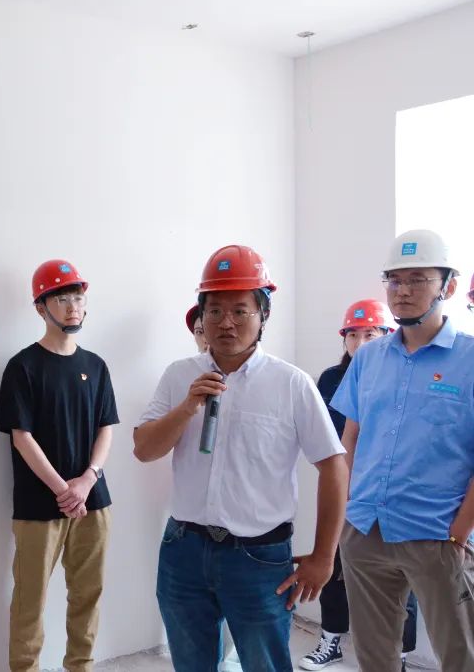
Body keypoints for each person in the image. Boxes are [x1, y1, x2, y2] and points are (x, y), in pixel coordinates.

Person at [133, 244, 347, 672]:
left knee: (264, 664)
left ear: (263, 315)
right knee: (191, 663)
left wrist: (324, 557)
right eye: (214, 311)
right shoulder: (180, 374)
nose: (226, 322)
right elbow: (144, 449)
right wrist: (188, 407)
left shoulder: (292, 384)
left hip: (258, 557)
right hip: (183, 549)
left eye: (240, 311)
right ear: (202, 316)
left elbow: (333, 466)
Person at [331, 229, 474, 672]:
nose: (403, 290)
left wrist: (458, 535)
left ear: (448, 286)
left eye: (417, 279)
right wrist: (346, 514)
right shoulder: (368, 357)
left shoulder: (470, 360)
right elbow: (350, 439)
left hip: (436, 536)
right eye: (394, 280)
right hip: (365, 530)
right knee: (375, 658)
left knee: (461, 656)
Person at [0, 259, 117, 672]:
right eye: (62, 299)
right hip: (38, 506)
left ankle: (80, 666)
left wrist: (87, 480)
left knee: (88, 594)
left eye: (77, 298)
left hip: (93, 502)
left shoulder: (96, 366)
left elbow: (106, 428)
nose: (73, 307)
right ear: (40, 307)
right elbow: (21, 436)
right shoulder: (23, 366)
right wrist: (63, 490)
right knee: (30, 599)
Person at [298, 299, 420, 670]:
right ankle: (330, 641)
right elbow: (324, 436)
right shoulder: (331, 379)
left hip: (393, 494)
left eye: (370, 334)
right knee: (335, 566)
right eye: (353, 334)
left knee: (402, 578)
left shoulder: (404, 374)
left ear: (386, 335)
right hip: (345, 489)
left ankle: (399, 656)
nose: (360, 342)